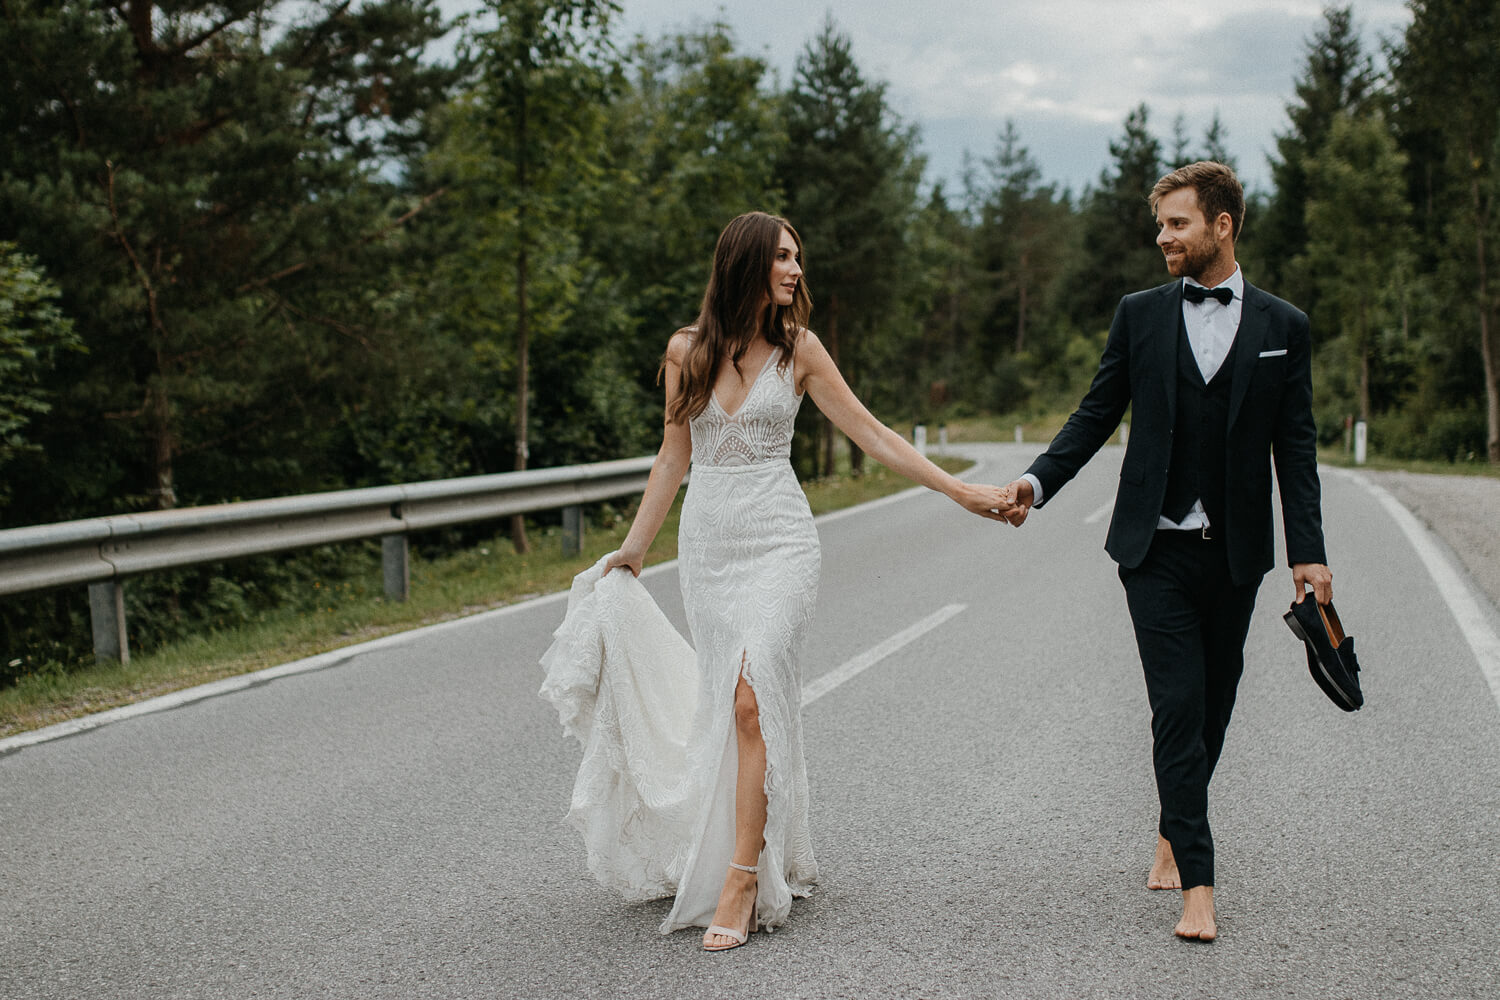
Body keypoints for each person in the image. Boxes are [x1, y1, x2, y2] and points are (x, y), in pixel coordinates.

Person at [547, 211, 1014, 952]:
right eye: (784, 258)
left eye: (799, 258)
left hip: (781, 542)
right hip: (708, 549)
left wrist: (966, 493)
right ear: (746, 263)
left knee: (750, 696)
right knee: (728, 704)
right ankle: (749, 844)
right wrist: (635, 549)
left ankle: (739, 878)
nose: (796, 271)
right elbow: (672, 458)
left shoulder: (801, 351)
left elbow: (876, 435)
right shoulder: (686, 352)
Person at [1002, 162, 1332, 941]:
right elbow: (1096, 412)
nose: (1162, 237)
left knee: (1214, 705)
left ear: (1222, 225)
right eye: (1160, 224)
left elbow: (1298, 445)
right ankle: (1200, 887)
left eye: (1176, 223)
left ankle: (1170, 824)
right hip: (1152, 547)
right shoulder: (1140, 315)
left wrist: (1307, 553)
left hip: (1237, 554)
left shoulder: (1284, 328)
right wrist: (1035, 481)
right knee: (1177, 706)